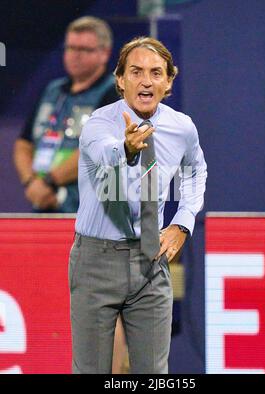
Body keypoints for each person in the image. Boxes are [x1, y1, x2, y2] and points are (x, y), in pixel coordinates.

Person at [69, 36, 207, 374]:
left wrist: (182, 222)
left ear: (169, 81)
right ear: (120, 80)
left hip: (150, 261)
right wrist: (128, 149)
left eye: (156, 72)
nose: (146, 80)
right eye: (136, 72)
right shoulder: (98, 125)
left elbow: (195, 172)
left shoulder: (181, 127)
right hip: (96, 263)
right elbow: (105, 154)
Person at [13, 16, 119, 213]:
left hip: (90, 211)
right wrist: (31, 182)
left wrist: (49, 181)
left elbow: (98, 149)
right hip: (45, 202)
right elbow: (23, 143)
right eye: (70, 48)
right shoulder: (53, 90)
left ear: (105, 53)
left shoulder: (114, 93)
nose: (75, 55)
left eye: (84, 49)